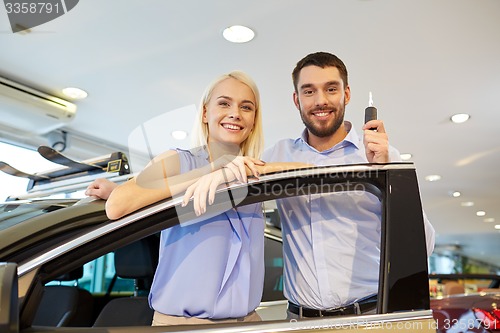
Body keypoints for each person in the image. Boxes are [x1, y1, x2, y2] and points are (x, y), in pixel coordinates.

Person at [85, 70, 288, 325]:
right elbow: (117, 206)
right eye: (224, 103)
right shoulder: (179, 160)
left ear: (253, 119)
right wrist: (214, 171)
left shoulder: (253, 171)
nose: (235, 113)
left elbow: (307, 172)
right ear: (205, 113)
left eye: (246, 107)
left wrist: (244, 169)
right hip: (182, 325)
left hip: (246, 322)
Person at [260, 51, 436, 319]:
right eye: (309, 91)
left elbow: (424, 245)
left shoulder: (381, 156)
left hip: (368, 316)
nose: (320, 101)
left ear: (347, 94)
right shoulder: (277, 156)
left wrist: (388, 172)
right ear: (296, 100)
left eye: (331, 89)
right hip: (298, 322)